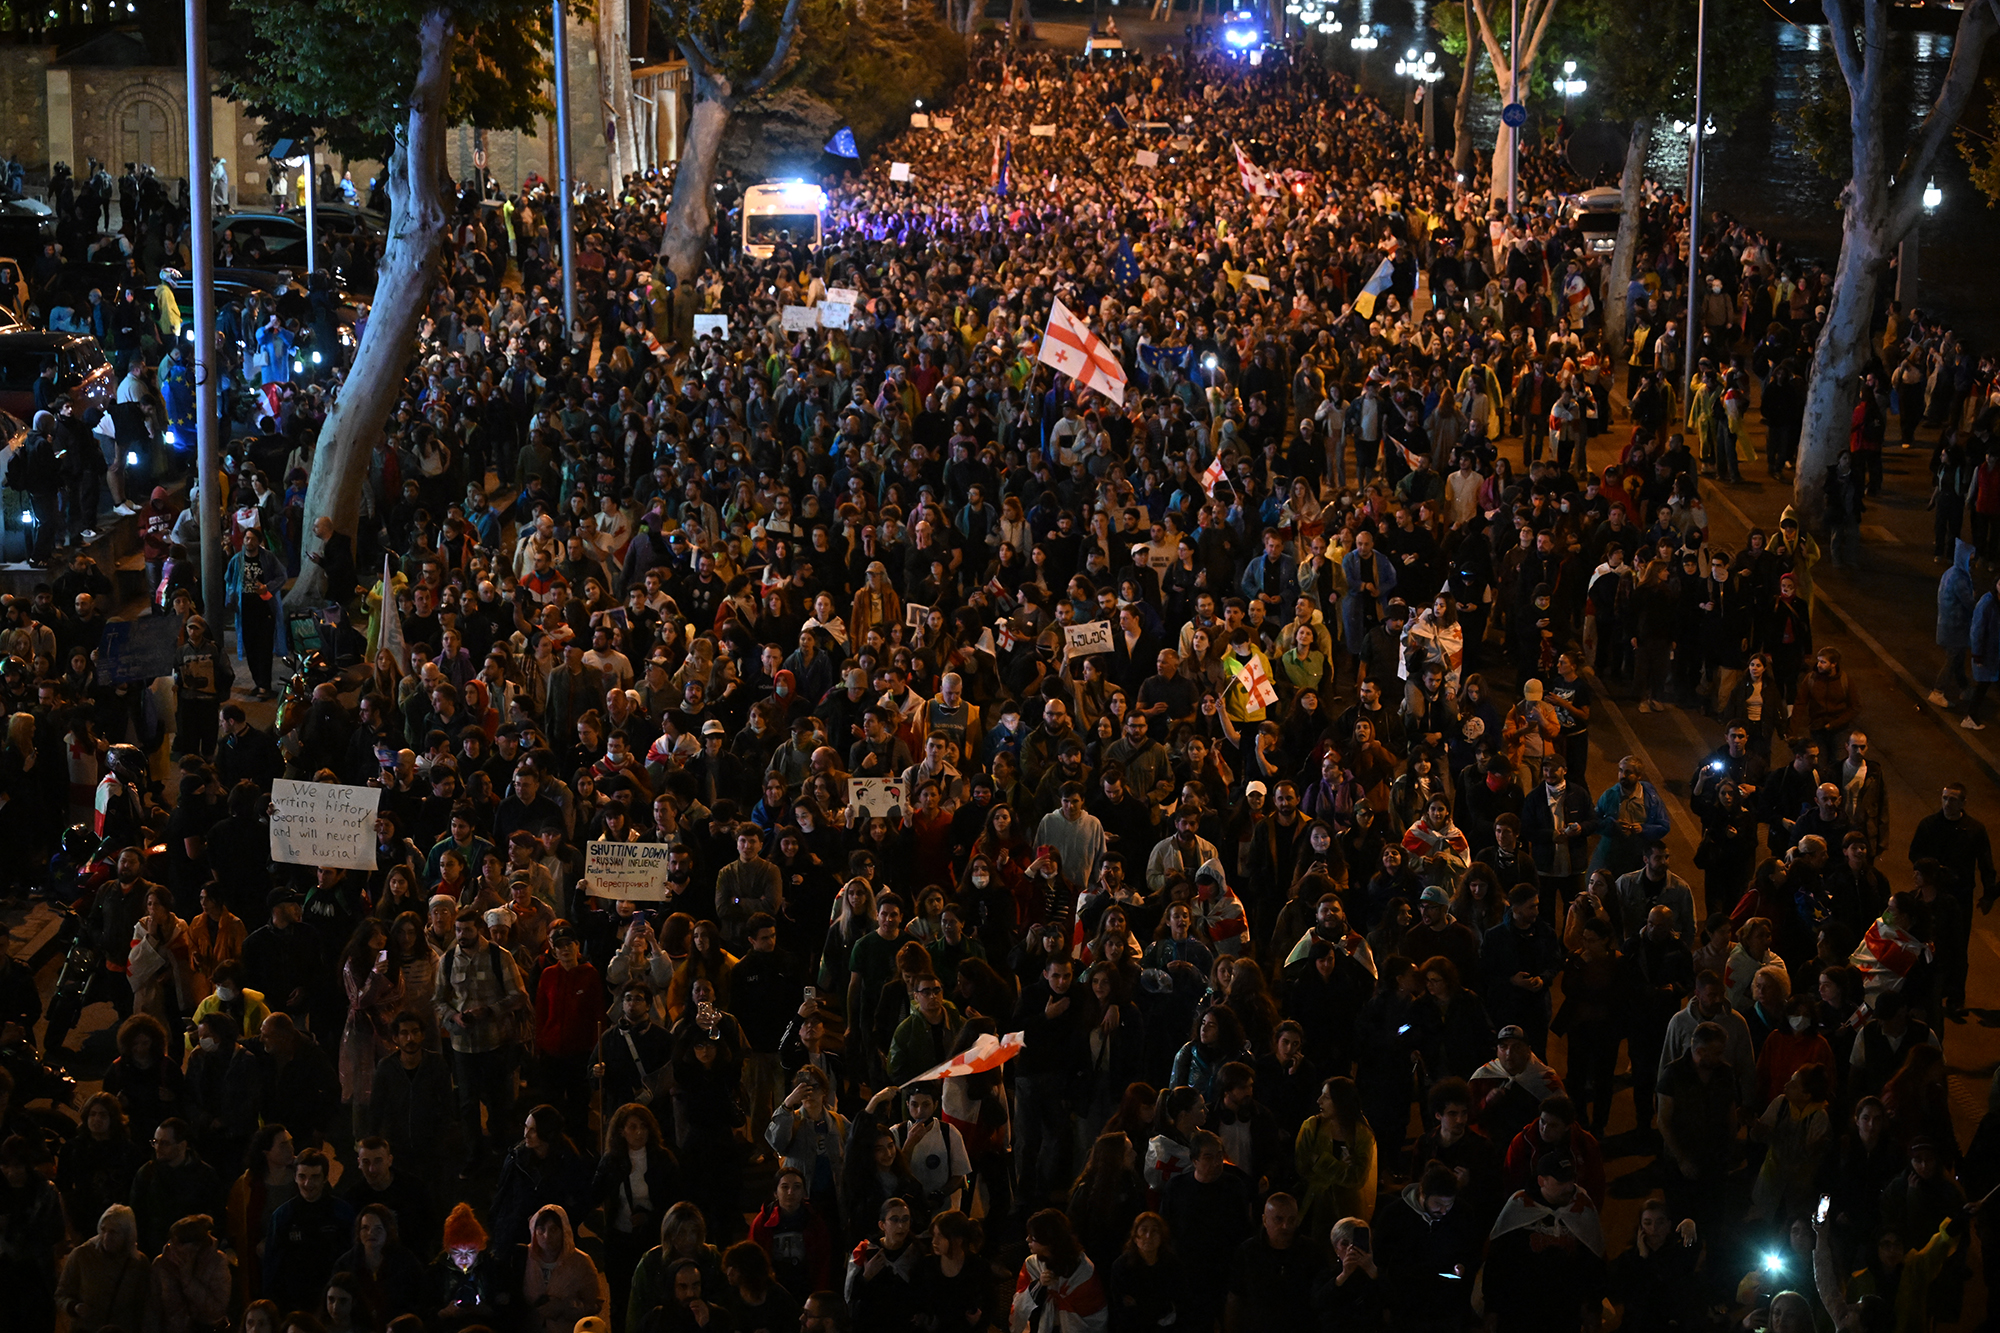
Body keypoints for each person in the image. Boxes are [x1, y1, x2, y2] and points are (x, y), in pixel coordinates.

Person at [55, 1201, 150, 1333]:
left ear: (127, 1234)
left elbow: (145, 1306)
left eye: (113, 1232)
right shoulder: (82, 1255)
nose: (106, 1237)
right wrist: (74, 1307)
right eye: (104, 1230)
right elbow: (62, 1293)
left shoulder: (138, 1263)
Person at [1011, 1207, 1108, 1333]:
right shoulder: (1032, 1264)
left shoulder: (1083, 1271)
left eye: (1033, 1237)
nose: (1027, 1240)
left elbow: (1093, 1314)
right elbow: (1021, 1304)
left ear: (1049, 1242)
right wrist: (1039, 1285)